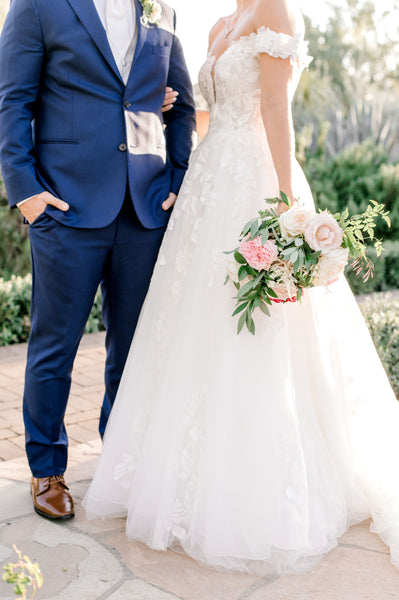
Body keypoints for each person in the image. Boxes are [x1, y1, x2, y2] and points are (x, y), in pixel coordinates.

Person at [84, 0, 399, 575]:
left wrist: (286, 211)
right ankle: (181, 471)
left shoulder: (277, 12)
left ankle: (254, 484)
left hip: (255, 182)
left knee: (250, 326)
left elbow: (277, 110)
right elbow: (210, 116)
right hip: (208, 182)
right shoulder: (220, 23)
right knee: (189, 323)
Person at [0, 0, 196, 520]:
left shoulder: (162, 8)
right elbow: (13, 100)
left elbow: (180, 106)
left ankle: (121, 461)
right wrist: (26, 192)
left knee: (133, 349)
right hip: (64, 206)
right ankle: (47, 470)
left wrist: (178, 180)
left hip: (144, 207)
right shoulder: (37, 5)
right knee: (54, 347)